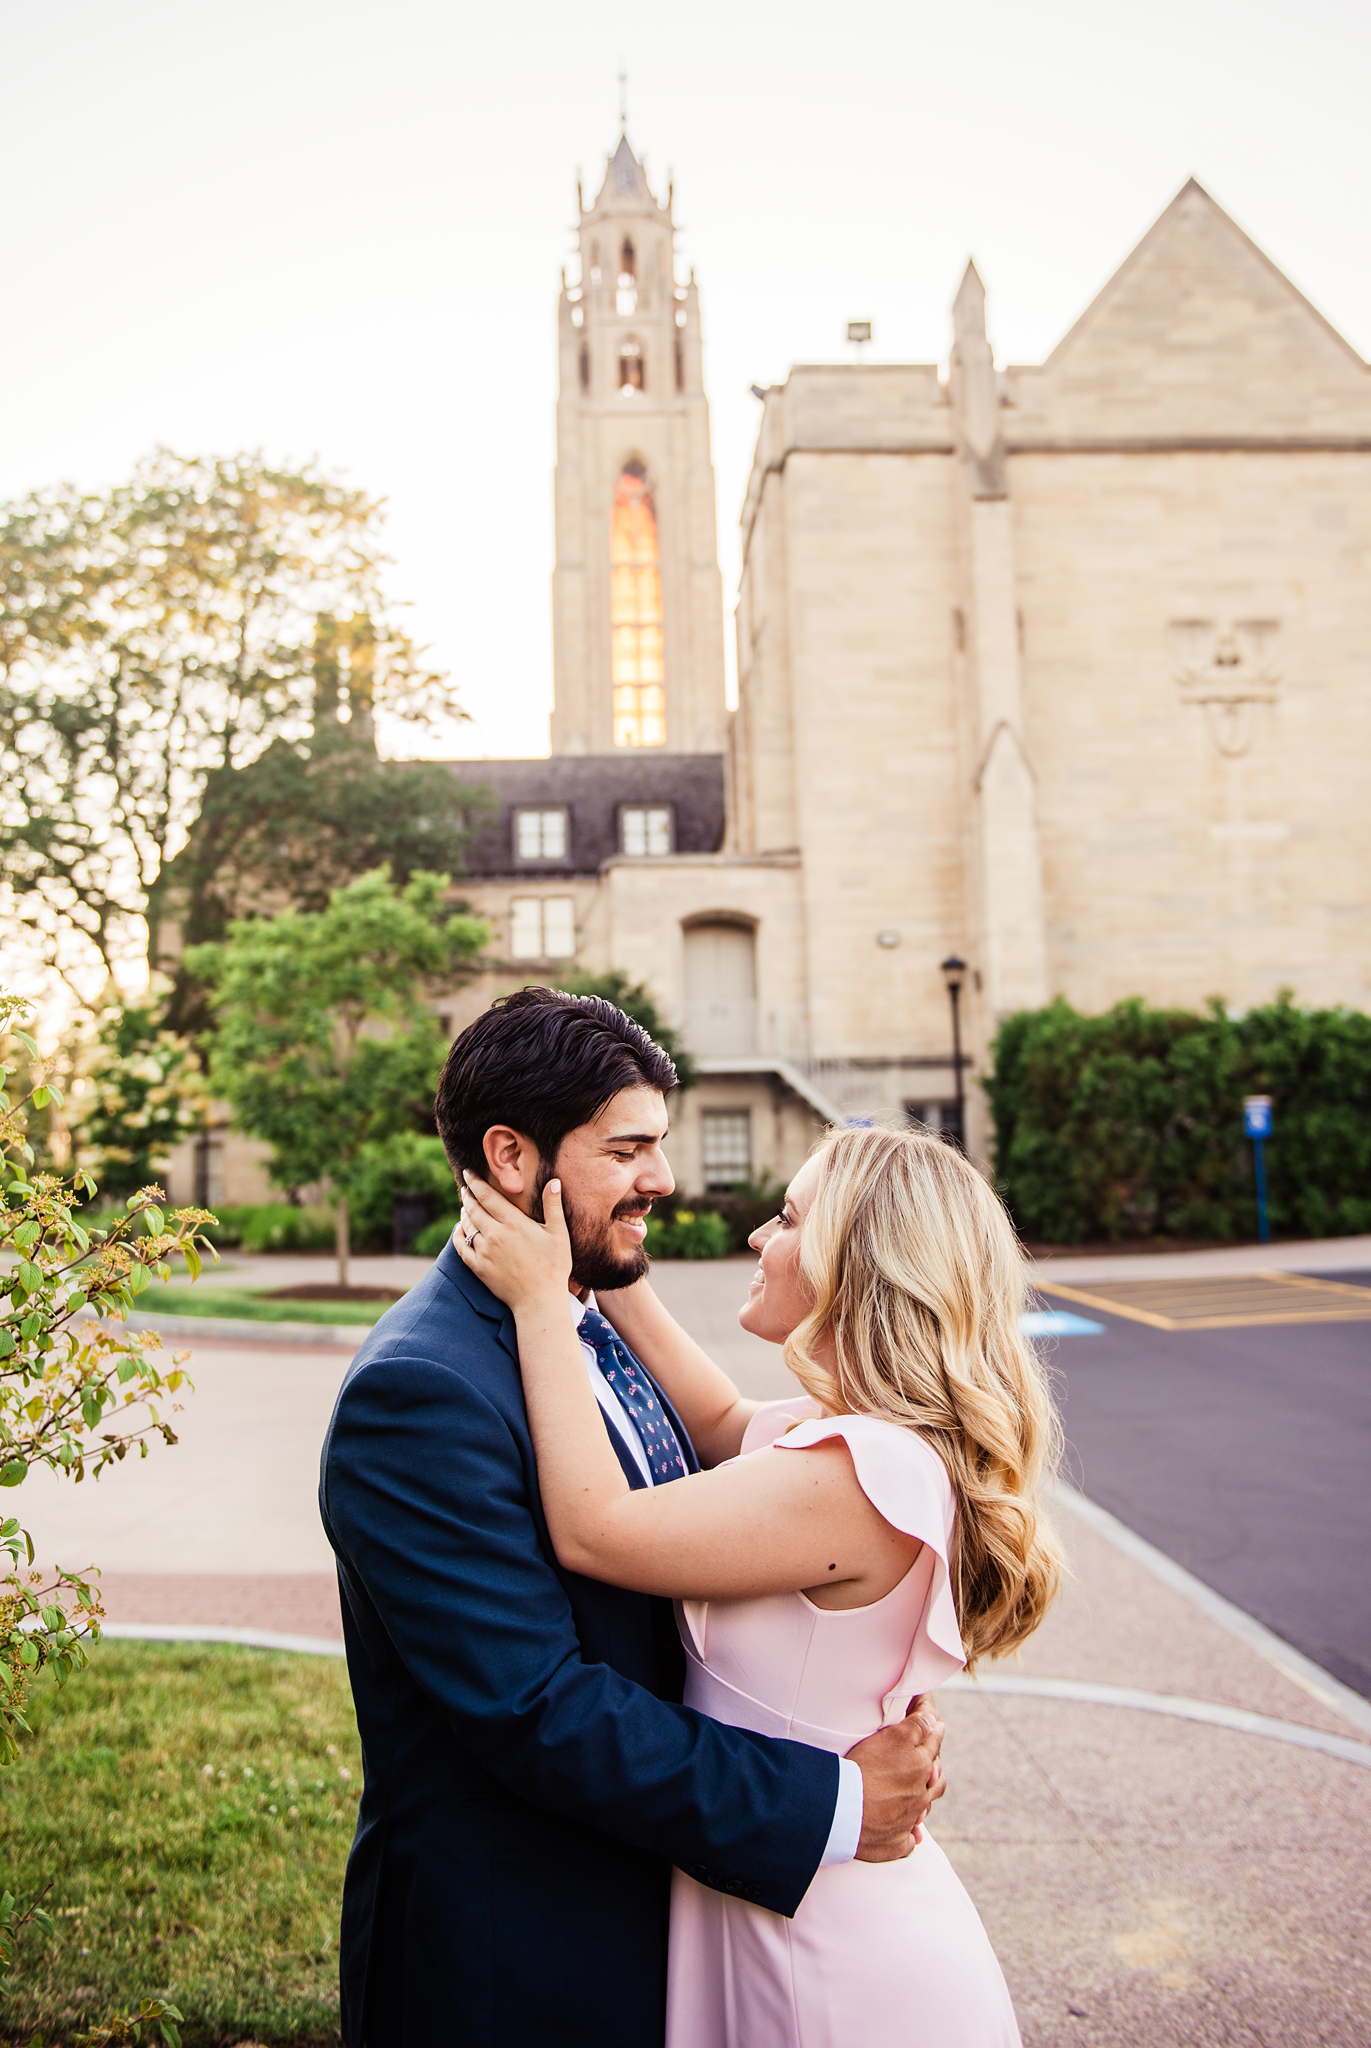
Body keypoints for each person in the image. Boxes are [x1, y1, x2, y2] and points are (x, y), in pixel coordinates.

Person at [318, 988, 946, 2048]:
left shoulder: (584, 1326)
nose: (663, 1176)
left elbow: (709, 1438)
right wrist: (830, 1801)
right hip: (514, 1960)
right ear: (514, 1157)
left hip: (666, 1922)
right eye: (630, 1147)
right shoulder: (420, 1390)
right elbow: (539, 1706)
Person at [456, 1115, 1065, 2048]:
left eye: (786, 1219)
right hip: (781, 1889)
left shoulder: (859, 1474)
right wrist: (599, 1254)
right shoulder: (849, 1439)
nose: (757, 1237)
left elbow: (595, 1530)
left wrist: (542, 1304)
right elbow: (715, 1416)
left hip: (828, 1953)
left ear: (853, 1264)